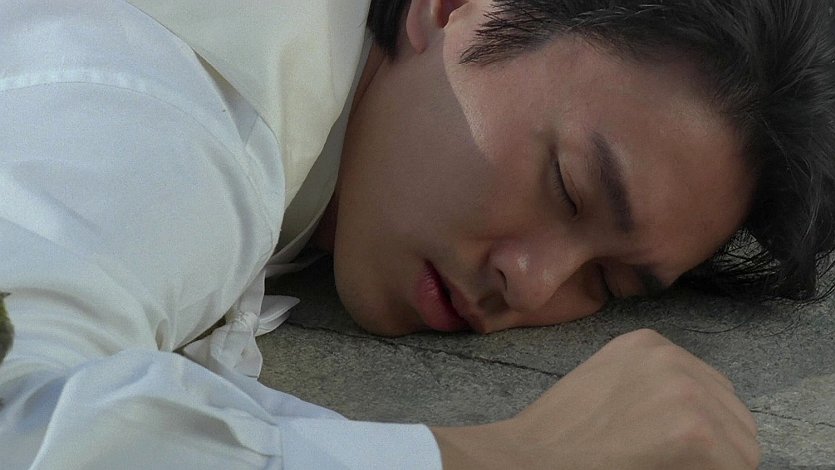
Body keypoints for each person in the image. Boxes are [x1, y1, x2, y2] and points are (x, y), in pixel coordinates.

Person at [0, 0, 833, 468]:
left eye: (607, 283)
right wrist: (512, 456)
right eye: (568, 188)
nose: (533, 284)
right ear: (453, 9)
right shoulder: (177, 114)